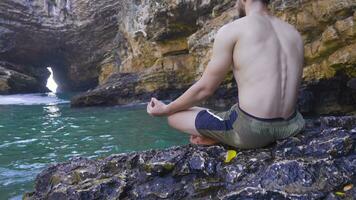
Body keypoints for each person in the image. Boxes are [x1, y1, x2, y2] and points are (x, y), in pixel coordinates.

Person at [146, 0, 306, 149]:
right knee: (231, 111)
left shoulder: (233, 30)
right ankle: (219, 134)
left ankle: (220, 137)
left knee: (175, 116)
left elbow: (205, 89)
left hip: (250, 133)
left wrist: (166, 109)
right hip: (293, 125)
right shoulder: (293, 33)